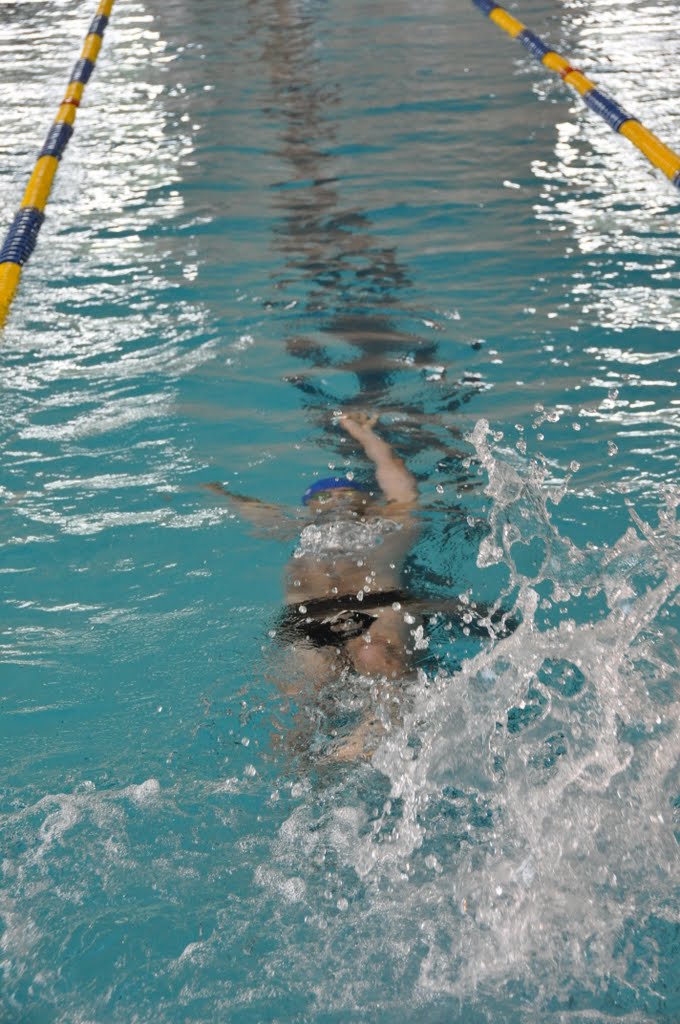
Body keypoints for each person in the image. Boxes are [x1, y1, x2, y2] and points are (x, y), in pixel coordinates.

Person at [205, 411, 511, 759]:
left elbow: (402, 489)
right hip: (311, 616)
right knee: (306, 679)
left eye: (348, 493)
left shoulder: (388, 521)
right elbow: (252, 511)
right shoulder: (295, 528)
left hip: (378, 605)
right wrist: (212, 490)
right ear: (308, 508)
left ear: (370, 503)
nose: (337, 499)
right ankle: (295, 765)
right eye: (324, 497)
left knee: (375, 654)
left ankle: (368, 740)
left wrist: (365, 435)